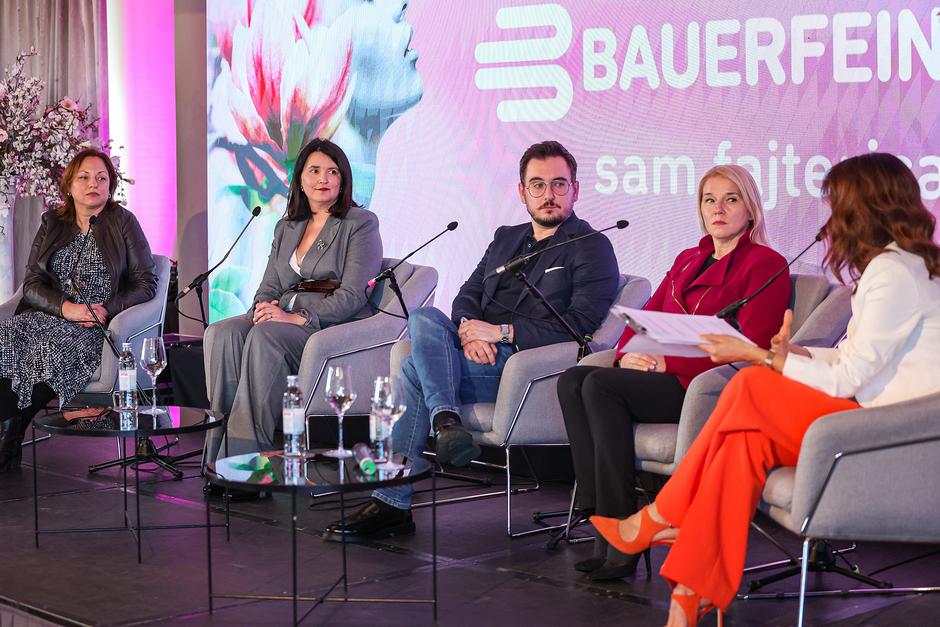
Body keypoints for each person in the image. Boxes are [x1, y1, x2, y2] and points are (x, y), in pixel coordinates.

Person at [590, 153, 940, 626]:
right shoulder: (895, 266)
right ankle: (690, 596)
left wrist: (765, 358)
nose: (832, 220)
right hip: (865, 414)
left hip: (888, 432)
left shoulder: (895, 272)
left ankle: (663, 515)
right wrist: (794, 354)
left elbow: (850, 378)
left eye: (839, 206)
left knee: (752, 381)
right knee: (743, 443)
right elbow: (848, 360)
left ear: (867, 207)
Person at [324, 140, 621, 542]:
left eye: (558, 184)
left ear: (575, 190)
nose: (548, 195)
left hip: (526, 369)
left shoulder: (592, 246)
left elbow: (579, 328)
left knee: (413, 369)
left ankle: (399, 493)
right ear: (522, 192)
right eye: (537, 185)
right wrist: (467, 330)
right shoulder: (505, 238)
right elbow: (467, 295)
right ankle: (445, 425)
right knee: (426, 316)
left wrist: (500, 333)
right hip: (473, 353)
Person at [556, 165, 791, 581]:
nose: (718, 209)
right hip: (663, 376)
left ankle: (621, 527)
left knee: (599, 386)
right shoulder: (688, 258)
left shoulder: (765, 264)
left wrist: (669, 363)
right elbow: (645, 317)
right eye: (709, 200)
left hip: (704, 386)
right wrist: (625, 354)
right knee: (574, 379)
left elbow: (751, 349)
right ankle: (599, 517)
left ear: (750, 209)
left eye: (731, 199)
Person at [204, 138, 383, 474]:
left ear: (343, 179)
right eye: (314, 170)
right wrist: (261, 309)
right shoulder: (287, 226)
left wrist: (296, 318)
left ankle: (245, 463)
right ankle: (216, 455)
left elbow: (353, 296)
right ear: (300, 178)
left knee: (266, 336)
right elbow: (270, 284)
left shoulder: (360, 223)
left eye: (332, 172)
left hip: (327, 330)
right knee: (222, 332)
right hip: (283, 316)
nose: (323, 178)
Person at [0, 148, 157, 471]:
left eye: (101, 178)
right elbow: (32, 283)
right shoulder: (53, 223)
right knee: (8, 339)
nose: (93, 184)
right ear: (69, 186)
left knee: (43, 350)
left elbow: (145, 283)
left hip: (92, 328)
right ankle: (9, 437)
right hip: (51, 315)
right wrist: (66, 308)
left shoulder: (123, 221)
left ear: (110, 186)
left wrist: (106, 309)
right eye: (84, 177)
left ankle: (8, 437)